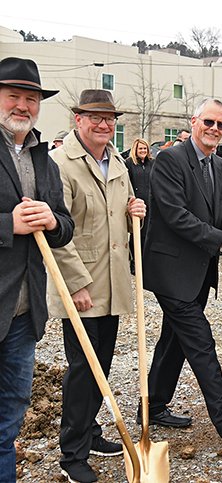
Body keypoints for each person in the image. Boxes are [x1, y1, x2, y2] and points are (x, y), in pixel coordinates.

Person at [142, 98, 222, 450]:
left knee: (174, 340)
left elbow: (215, 210)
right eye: (209, 122)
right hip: (171, 270)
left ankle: (152, 407)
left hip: (199, 271)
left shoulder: (221, 166)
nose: (215, 130)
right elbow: (176, 217)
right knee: (201, 343)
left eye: (221, 126)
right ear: (194, 121)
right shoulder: (170, 160)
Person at [48, 89, 146, 483]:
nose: (104, 124)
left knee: (102, 366)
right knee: (82, 369)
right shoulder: (60, 164)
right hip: (82, 286)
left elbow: (119, 212)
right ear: (78, 119)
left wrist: (133, 210)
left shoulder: (118, 163)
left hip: (113, 282)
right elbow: (58, 232)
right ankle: (72, 455)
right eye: (95, 118)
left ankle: (89, 431)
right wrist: (75, 284)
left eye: (109, 119)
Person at [0, 57, 74, 483]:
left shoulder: (44, 157)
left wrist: (52, 220)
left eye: (32, 98)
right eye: (14, 96)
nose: (23, 106)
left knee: (9, 420)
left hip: (25, 314)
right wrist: (7, 224)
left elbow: (65, 225)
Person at [125, 138, 154, 274]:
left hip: (150, 204)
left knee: (149, 233)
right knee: (136, 233)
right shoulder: (129, 164)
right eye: (140, 148)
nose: (143, 151)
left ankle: (147, 261)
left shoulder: (152, 163)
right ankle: (134, 262)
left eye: (145, 148)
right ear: (135, 150)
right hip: (136, 203)